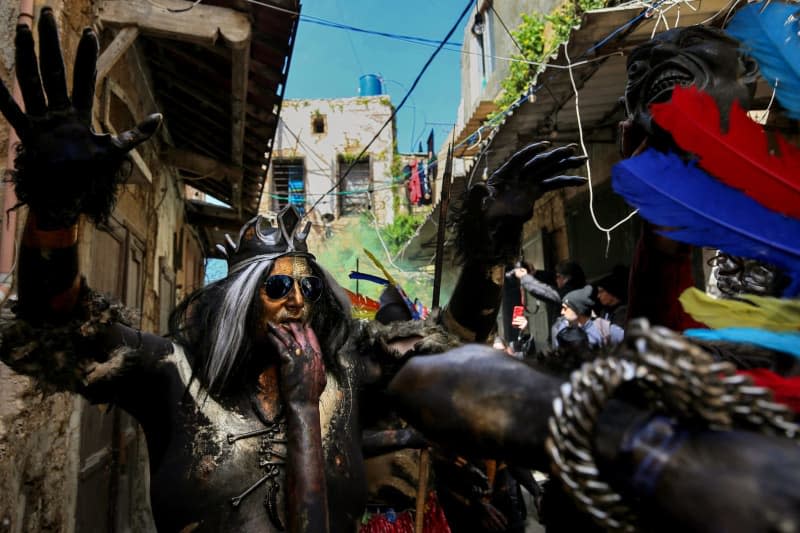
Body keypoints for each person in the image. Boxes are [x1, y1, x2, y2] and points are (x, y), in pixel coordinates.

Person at [0, 11, 589, 533]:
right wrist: (54, 213)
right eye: (277, 286)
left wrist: (491, 246)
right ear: (238, 300)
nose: (297, 300)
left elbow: (452, 344)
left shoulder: (349, 374)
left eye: (308, 286)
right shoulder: (176, 377)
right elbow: (60, 330)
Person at [552, 285, 623, 349]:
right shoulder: (562, 329)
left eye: (565, 308)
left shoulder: (604, 328)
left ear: (578, 309)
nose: (562, 312)